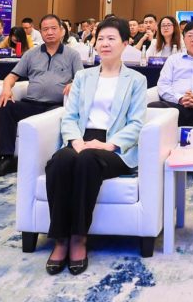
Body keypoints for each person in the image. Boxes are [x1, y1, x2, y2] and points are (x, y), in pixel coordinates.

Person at [39, 17, 149, 274]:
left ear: (125, 44)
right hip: (81, 137)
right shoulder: (83, 76)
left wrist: (109, 145)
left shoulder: (136, 79)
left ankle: (79, 238)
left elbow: (136, 123)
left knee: (88, 160)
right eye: (101, 39)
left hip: (115, 146)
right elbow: (70, 116)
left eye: (111, 38)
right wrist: (76, 141)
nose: (105, 43)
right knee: (61, 161)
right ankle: (61, 239)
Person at [0, 12, 85, 175]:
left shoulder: (72, 55)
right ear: (40, 32)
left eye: (54, 28)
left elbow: (82, 79)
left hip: (55, 106)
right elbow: (11, 76)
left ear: (62, 31)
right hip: (31, 103)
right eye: (45, 29)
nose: (50, 32)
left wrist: (74, 83)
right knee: (5, 106)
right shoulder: (31, 54)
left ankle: (49, 161)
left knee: (52, 117)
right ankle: (7, 157)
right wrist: (6, 89)